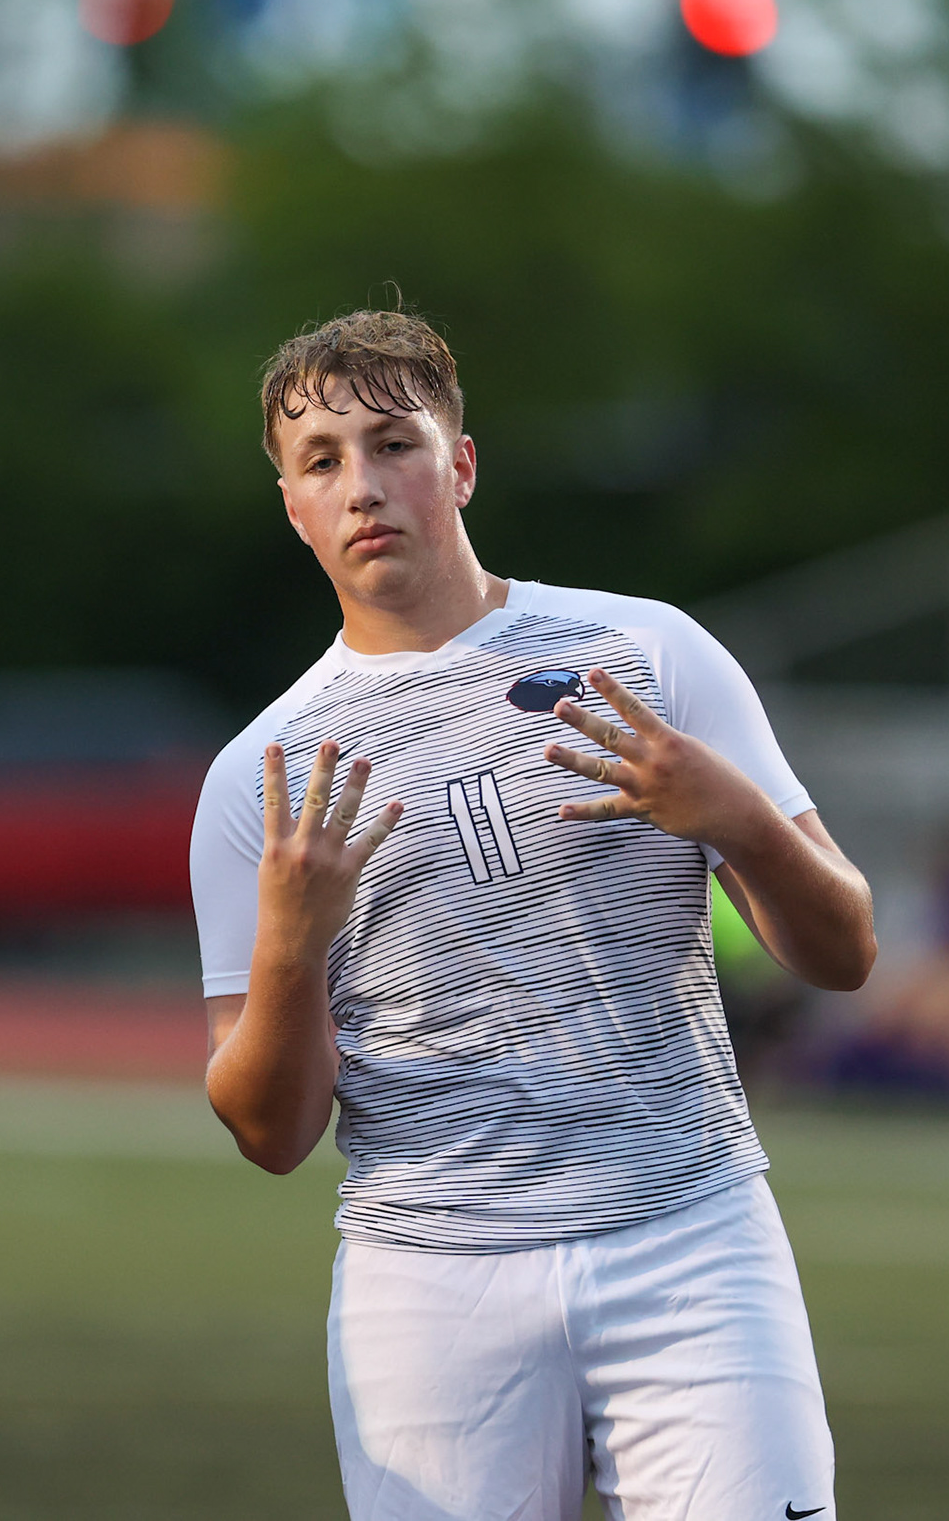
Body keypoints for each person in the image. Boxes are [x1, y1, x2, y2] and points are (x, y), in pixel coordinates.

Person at [190, 311, 876, 1521]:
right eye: (322, 461)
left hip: (689, 1232)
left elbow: (845, 952)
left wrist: (737, 819)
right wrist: (293, 940)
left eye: (393, 443)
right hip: (429, 1281)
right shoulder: (262, 774)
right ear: (292, 506)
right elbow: (270, 1133)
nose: (362, 485)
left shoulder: (645, 651)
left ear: (459, 464)